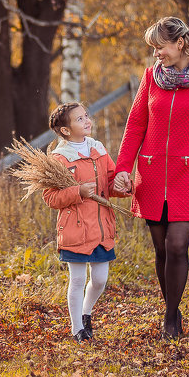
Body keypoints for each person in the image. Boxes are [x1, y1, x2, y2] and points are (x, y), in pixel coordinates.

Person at [113, 17, 189, 340]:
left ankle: (169, 316)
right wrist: (124, 168)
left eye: (159, 47)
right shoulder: (151, 78)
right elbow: (135, 125)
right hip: (150, 174)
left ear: (179, 44)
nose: (155, 54)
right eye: (153, 48)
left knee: (177, 245)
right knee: (161, 249)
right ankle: (173, 310)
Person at [42, 102, 129, 342]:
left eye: (86, 116)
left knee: (100, 278)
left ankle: (86, 312)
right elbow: (50, 197)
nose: (87, 121)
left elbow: (110, 183)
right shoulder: (59, 159)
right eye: (79, 119)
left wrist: (122, 187)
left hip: (101, 228)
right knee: (78, 279)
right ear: (66, 131)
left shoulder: (98, 150)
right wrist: (78, 191)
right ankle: (77, 328)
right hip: (75, 229)